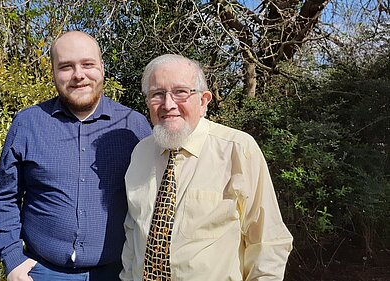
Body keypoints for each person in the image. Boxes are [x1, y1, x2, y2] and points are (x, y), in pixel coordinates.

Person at [0, 31, 152, 281]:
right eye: (66, 67)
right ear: (52, 72)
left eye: (88, 64)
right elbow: (4, 196)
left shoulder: (134, 128)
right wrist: (12, 260)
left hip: (118, 272)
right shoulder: (28, 124)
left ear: (102, 68)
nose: (79, 75)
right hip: (41, 272)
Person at [120, 54, 293, 281]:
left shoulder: (238, 150)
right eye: (157, 94)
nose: (168, 104)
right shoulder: (140, 153)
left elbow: (267, 241)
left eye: (181, 92)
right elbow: (133, 231)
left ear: (203, 101)